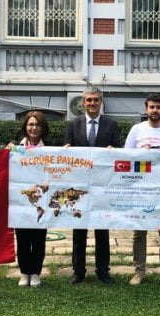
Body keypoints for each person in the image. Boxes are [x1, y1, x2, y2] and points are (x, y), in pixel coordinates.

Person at [64, 87, 122, 285]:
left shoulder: (111, 124)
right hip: (78, 184)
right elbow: (67, 149)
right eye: (89, 100)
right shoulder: (73, 124)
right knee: (79, 229)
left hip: (103, 184)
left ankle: (103, 270)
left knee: (102, 229)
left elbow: (119, 150)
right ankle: (78, 271)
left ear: (101, 102)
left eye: (96, 100)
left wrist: (114, 150)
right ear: (83, 103)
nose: (92, 103)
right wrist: (65, 151)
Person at [125, 94, 160, 287]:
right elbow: (127, 157)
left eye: (158, 107)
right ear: (146, 109)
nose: (154, 110)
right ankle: (139, 271)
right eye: (151, 107)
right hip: (140, 189)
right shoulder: (136, 130)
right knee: (139, 232)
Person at [9, 111, 49, 287]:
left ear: (43, 128)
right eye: (31, 124)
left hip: (41, 200)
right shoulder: (16, 149)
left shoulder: (50, 150)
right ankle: (24, 272)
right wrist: (7, 153)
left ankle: (36, 273)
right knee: (23, 238)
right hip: (21, 200)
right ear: (25, 127)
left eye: (37, 125)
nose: (34, 128)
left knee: (39, 238)